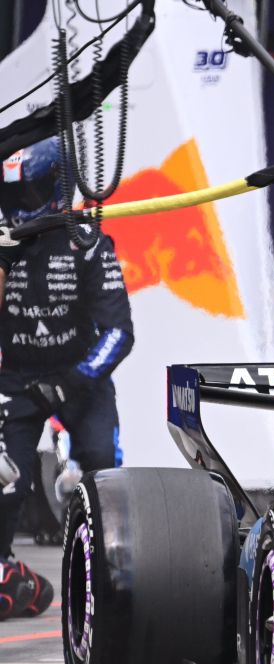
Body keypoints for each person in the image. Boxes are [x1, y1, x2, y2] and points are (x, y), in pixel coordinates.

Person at [0, 136, 134, 618]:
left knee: (101, 467)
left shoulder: (88, 243)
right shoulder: (4, 246)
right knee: (4, 478)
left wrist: (71, 382)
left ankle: (114, 572)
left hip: (80, 382)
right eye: (10, 195)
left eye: (28, 194)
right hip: (15, 380)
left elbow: (120, 333)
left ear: (55, 187)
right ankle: (4, 569)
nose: (18, 207)